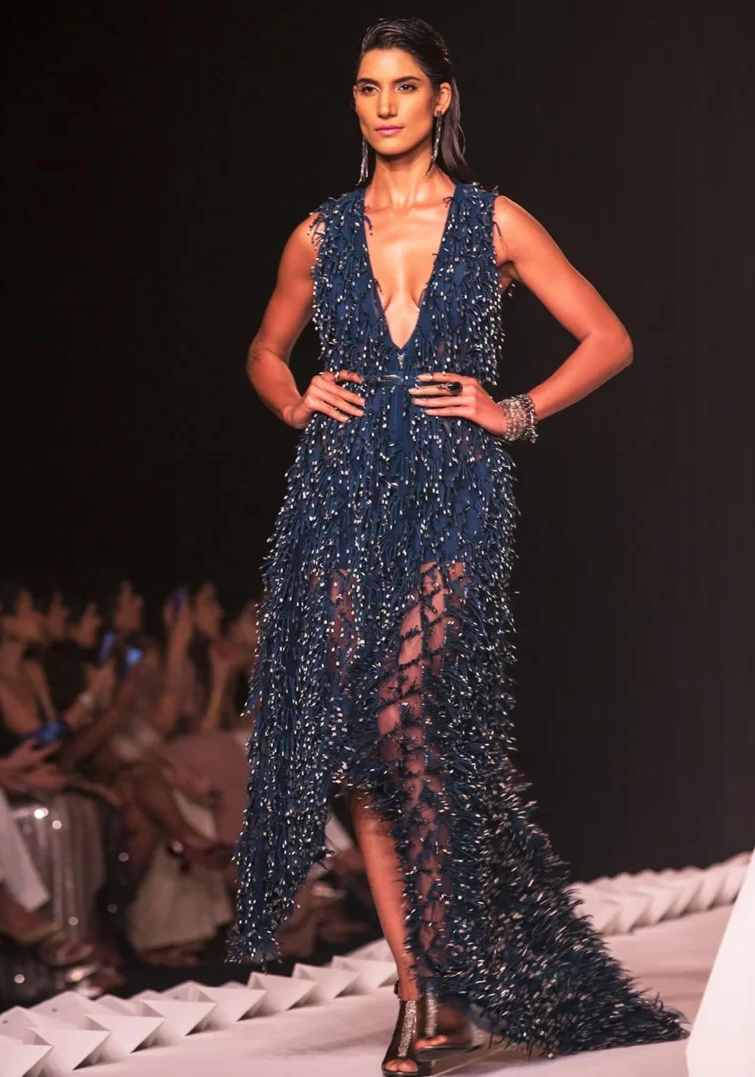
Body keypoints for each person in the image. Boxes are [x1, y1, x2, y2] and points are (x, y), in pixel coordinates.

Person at [230, 16, 688, 1075]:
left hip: (453, 487)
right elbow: (262, 346)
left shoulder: (494, 221)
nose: (383, 105)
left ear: (440, 97)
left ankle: (454, 970)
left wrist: (514, 410)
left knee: (407, 720)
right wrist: (294, 398)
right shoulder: (320, 233)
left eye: (403, 85)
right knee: (362, 737)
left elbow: (610, 337)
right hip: (339, 489)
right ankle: (420, 988)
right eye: (366, 88)